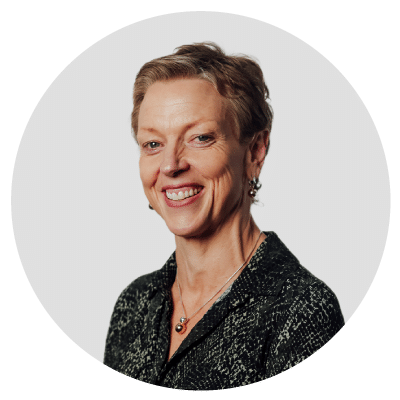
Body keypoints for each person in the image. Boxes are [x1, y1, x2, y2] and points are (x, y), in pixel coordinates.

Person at [104, 42, 344, 390]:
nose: (170, 165)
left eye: (200, 138)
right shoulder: (135, 304)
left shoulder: (301, 312)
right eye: (153, 144)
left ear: (255, 152)